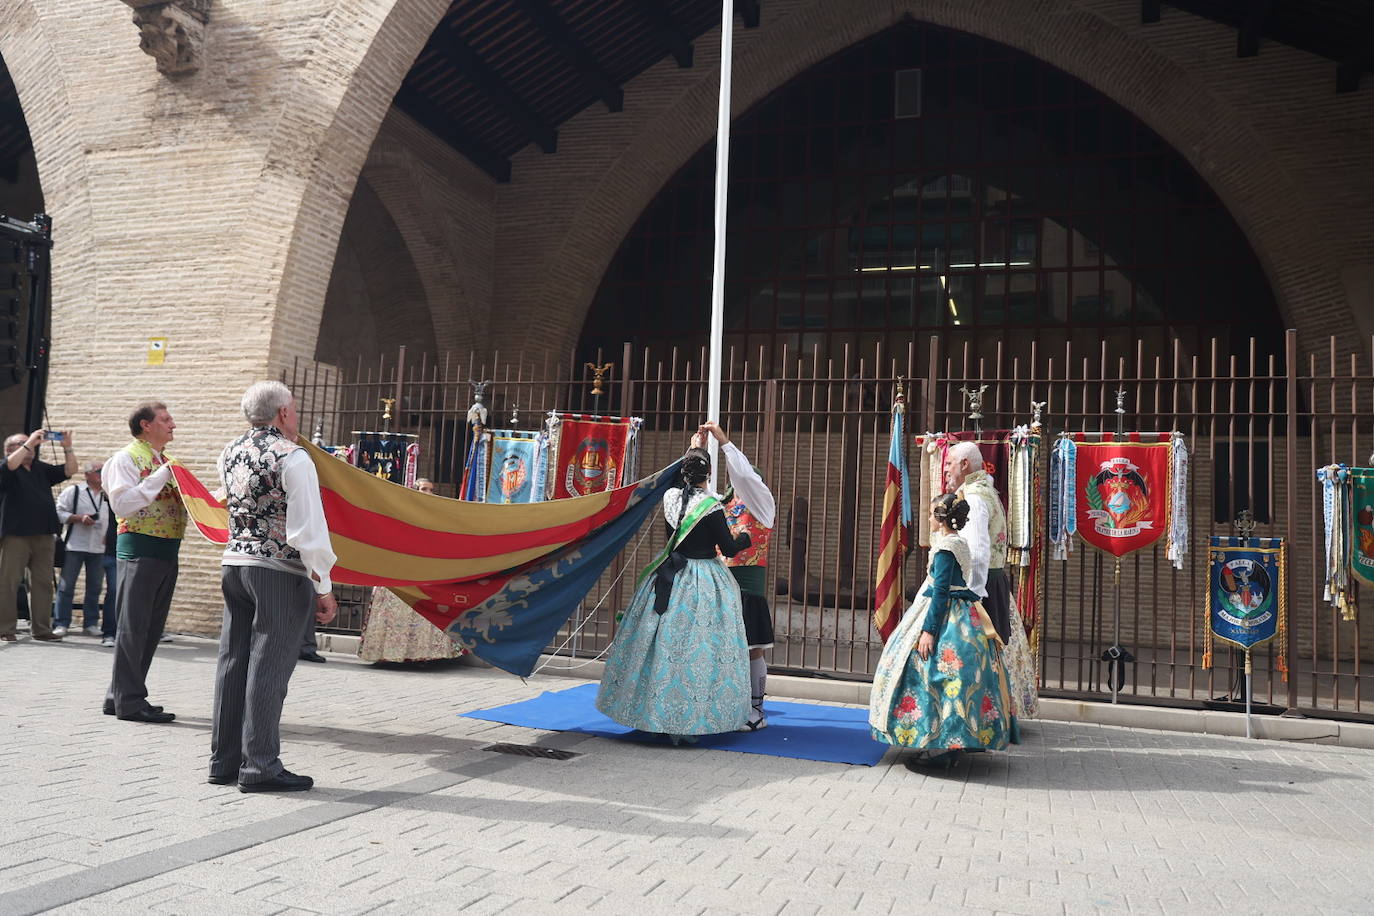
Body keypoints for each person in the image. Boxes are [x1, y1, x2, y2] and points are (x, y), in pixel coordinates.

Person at [209, 381, 337, 792]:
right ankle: (260, 765)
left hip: (234, 564)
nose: (296, 416)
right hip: (278, 570)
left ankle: (224, 761)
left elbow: (227, 499)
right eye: (294, 410)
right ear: (283, 413)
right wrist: (324, 584)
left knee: (233, 662)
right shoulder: (293, 457)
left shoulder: (229, 451)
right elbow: (307, 529)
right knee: (269, 667)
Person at [596, 444, 752, 742]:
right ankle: (689, 723)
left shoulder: (669, 498)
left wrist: (693, 447)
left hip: (670, 576)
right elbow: (729, 548)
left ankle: (651, 713)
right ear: (708, 473)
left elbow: (679, 491)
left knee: (661, 647)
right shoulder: (712, 506)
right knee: (698, 652)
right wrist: (745, 537)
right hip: (704, 579)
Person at [868, 494, 1012, 767]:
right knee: (964, 678)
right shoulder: (959, 542)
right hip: (965, 614)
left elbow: (941, 592)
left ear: (942, 518)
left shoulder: (946, 548)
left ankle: (940, 746)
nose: (929, 518)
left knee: (933, 674)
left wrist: (929, 630)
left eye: (933, 514)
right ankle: (961, 739)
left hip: (944, 614)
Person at [944, 441, 1039, 722]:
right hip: (993, 581)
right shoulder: (987, 490)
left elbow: (976, 551)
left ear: (965, 464)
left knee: (983, 653)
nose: (946, 468)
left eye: (949, 462)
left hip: (982, 585)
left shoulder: (974, 497)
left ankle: (987, 716)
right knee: (997, 651)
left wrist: (973, 596)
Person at [103, 402, 184, 722]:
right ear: (145, 425)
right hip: (139, 550)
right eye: (165, 420)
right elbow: (122, 504)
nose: (173, 425)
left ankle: (119, 695)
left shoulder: (163, 460)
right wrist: (162, 475)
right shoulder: (126, 458)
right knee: (133, 628)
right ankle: (131, 701)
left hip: (165, 551)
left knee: (149, 629)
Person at [699, 421, 776, 731]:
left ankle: (756, 709)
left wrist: (724, 442)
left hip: (746, 585)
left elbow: (744, 476)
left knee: (750, 646)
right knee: (723, 647)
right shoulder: (722, 501)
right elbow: (700, 492)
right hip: (721, 584)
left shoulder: (762, 503)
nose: (738, 480)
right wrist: (699, 451)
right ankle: (729, 702)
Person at [357, 478, 464, 664]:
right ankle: (387, 654)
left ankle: (422, 655)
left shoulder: (438, 514)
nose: (428, 493)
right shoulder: (401, 509)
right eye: (423, 489)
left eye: (431, 490)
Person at [1, 430, 78, 642]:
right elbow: (9, 465)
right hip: (16, 535)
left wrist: (68, 447)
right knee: (9, 582)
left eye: (33, 443)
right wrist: (31, 441)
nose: (32, 446)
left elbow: (70, 470)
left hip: (44, 535)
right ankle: (5, 629)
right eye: (23, 444)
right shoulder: (7, 468)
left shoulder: (39, 469)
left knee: (43, 583)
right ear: (9, 449)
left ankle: (42, 629)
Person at [54, 460, 113, 638]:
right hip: (75, 544)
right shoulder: (74, 491)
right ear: (87, 474)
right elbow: (58, 512)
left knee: (95, 587)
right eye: (99, 471)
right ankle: (61, 623)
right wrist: (78, 518)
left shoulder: (108, 493)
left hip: (99, 547)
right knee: (66, 586)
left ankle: (91, 623)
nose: (102, 474)